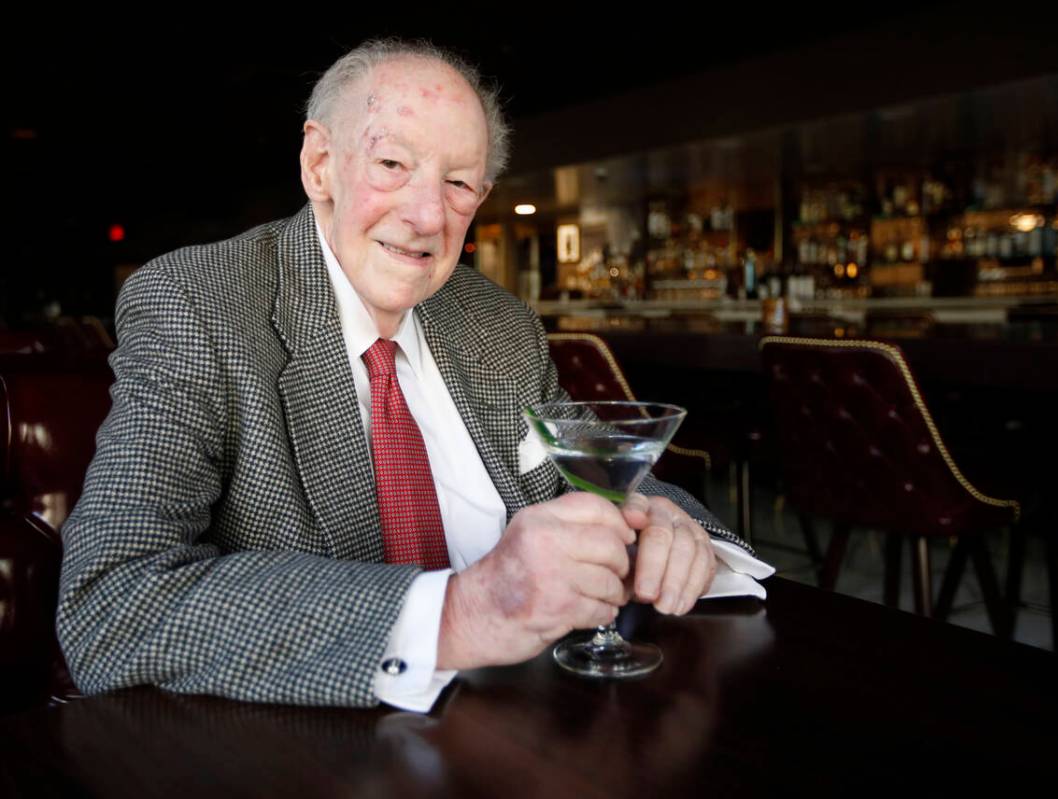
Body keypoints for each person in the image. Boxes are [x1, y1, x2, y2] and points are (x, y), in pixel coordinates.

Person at [56, 38, 772, 712]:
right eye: (392, 165)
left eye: (458, 182)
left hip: (542, 730)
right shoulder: (197, 303)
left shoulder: (500, 323)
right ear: (319, 165)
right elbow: (110, 599)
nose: (428, 216)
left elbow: (593, 481)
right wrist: (461, 612)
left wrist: (671, 524)